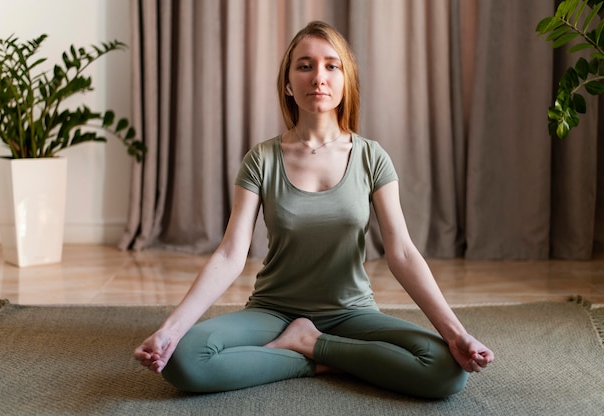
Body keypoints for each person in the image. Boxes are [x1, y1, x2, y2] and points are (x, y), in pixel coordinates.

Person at [134, 20, 494, 399]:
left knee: (446, 371)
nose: (318, 77)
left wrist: (456, 333)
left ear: (346, 81)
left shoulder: (372, 157)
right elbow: (229, 254)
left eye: (331, 66)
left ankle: (308, 344)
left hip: (352, 313)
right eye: (304, 66)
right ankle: (327, 357)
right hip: (273, 311)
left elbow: (402, 252)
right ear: (288, 84)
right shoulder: (262, 158)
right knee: (185, 359)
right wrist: (170, 330)